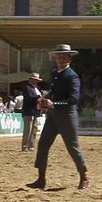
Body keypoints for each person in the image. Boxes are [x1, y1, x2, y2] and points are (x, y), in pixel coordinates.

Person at [27, 44, 90, 190]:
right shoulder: (55, 73)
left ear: (69, 59)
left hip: (67, 116)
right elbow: (54, 91)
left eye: (63, 57)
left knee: (72, 147)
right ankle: (41, 179)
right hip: (53, 115)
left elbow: (73, 99)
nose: (60, 59)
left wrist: (53, 103)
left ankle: (84, 176)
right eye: (58, 57)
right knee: (43, 144)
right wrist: (45, 97)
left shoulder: (72, 76)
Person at [20, 72, 44, 152]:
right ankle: (25, 146)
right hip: (28, 111)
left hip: (36, 111)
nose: (36, 81)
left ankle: (31, 145)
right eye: (35, 80)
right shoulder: (26, 87)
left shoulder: (37, 88)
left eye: (37, 80)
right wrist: (39, 97)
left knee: (34, 129)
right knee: (28, 129)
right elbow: (29, 97)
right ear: (30, 79)